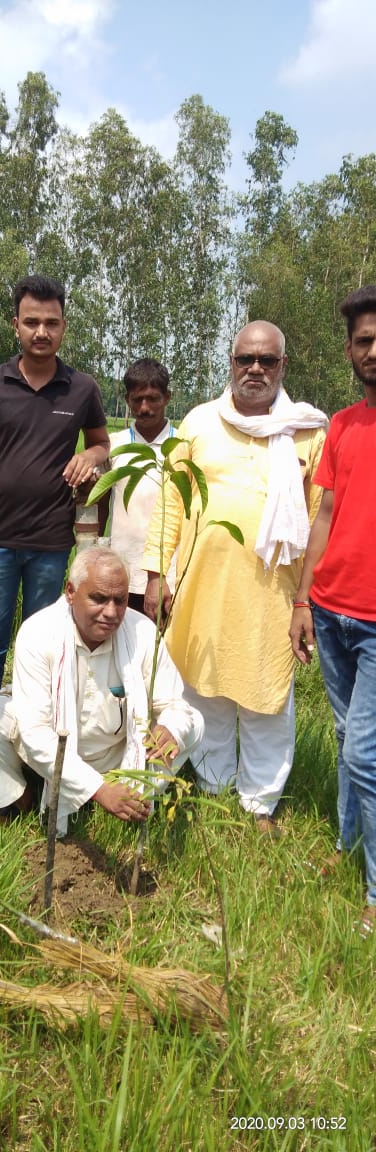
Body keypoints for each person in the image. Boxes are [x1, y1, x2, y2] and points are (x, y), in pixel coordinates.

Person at [143, 321, 328, 834]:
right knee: (205, 689)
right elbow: (171, 502)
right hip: (202, 585)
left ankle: (260, 802)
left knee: (267, 696)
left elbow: (319, 522)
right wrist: (157, 574)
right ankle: (214, 785)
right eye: (245, 358)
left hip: (274, 593)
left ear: (282, 367)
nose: (255, 369)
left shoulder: (308, 431)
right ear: (231, 362)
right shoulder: (200, 422)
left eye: (266, 361)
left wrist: (307, 600)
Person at [0, 274, 110, 781]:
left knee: (42, 647)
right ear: (15, 324)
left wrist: (92, 456)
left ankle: (34, 746)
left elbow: (102, 445)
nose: (42, 331)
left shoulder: (81, 388)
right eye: (32, 322)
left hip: (50, 542)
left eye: (52, 323)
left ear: (64, 327)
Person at [0, 547, 204, 835]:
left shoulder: (142, 631)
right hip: (49, 753)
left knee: (192, 725)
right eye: (98, 599)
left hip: (118, 758)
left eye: (120, 600)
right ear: (70, 592)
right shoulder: (39, 633)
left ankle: (134, 798)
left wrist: (169, 728)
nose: (111, 612)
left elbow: (173, 700)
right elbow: (36, 733)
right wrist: (98, 790)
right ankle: (15, 798)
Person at [289, 285, 376, 933]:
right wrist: (302, 597)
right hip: (331, 609)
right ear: (349, 350)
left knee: (364, 754)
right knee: (348, 740)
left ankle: (374, 889)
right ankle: (347, 847)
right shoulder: (342, 427)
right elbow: (324, 515)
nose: (373, 351)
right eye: (364, 340)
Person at [98, 358, 178, 613]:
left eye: (153, 398)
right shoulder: (114, 445)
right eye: (137, 399)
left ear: (167, 397)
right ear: (127, 399)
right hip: (124, 568)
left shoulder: (182, 446)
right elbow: (100, 502)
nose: (145, 407)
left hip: (171, 572)